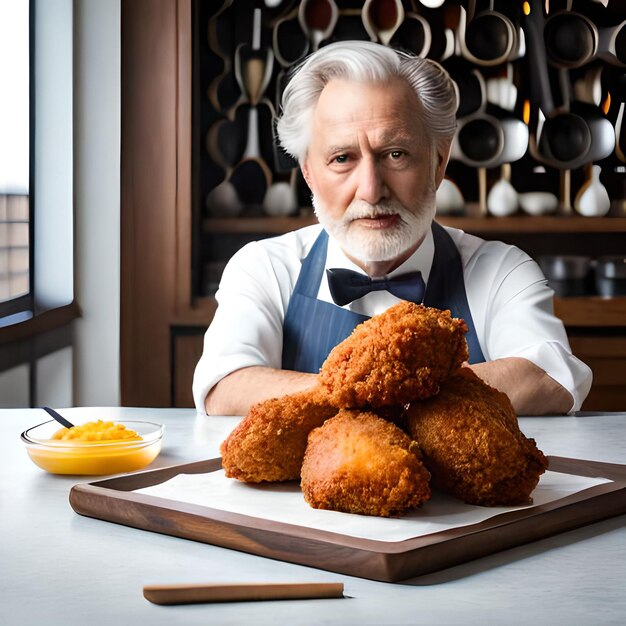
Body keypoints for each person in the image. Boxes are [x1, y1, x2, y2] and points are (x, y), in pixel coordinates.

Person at [193, 40, 592, 417]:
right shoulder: (263, 266)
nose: (371, 190)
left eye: (395, 153)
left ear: (438, 161)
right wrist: (376, 394)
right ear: (310, 173)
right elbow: (224, 385)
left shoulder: (501, 268)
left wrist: (368, 397)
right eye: (342, 158)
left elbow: (550, 375)